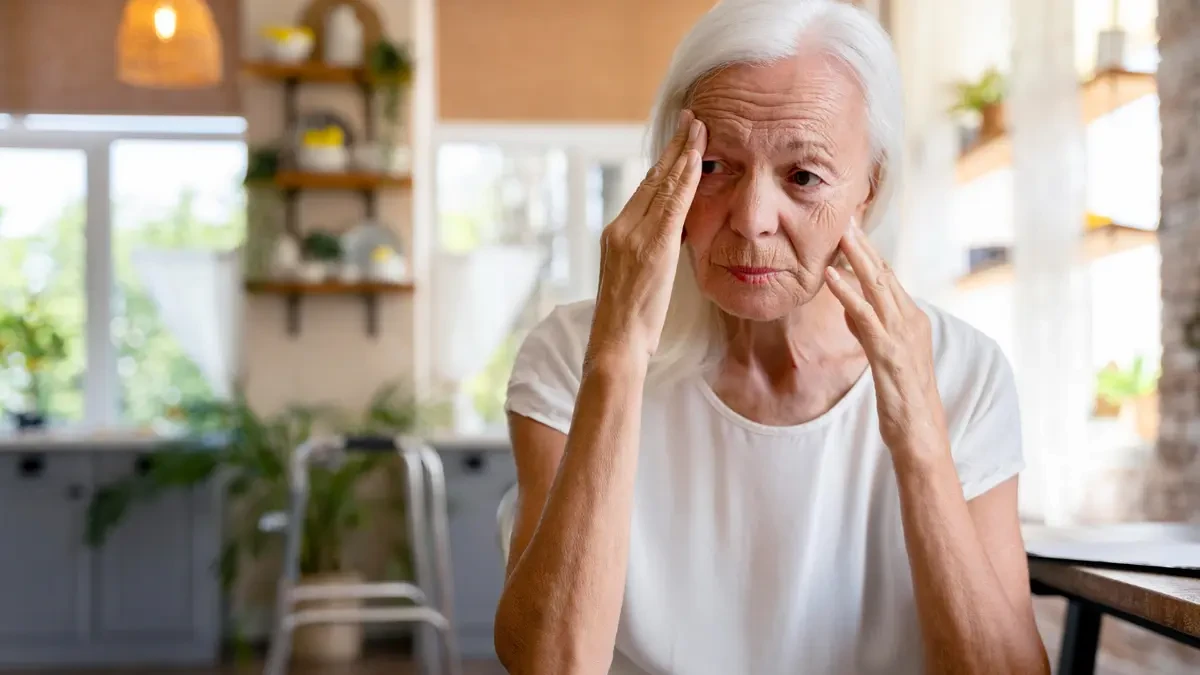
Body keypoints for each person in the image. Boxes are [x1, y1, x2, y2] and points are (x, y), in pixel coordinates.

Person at [494, 1, 1049, 673]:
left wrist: (921, 438)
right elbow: (552, 665)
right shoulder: (570, 353)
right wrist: (617, 357)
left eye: (803, 176)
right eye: (715, 167)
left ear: (868, 189)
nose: (753, 219)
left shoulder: (966, 372)